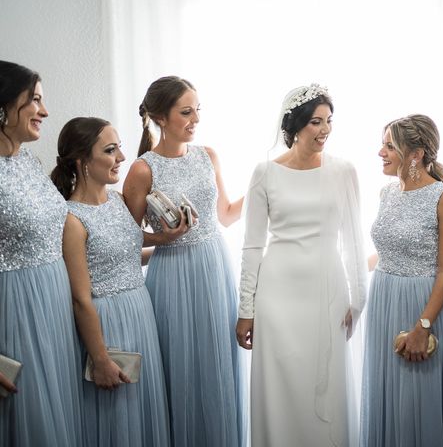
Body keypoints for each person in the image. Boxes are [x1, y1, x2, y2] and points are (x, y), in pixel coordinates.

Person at [236, 84, 367, 447]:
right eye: (315, 122)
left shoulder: (343, 171)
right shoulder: (264, 173)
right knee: (280, 391)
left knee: (324, 385)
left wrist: (358, 300)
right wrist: (245, 309)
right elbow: (252, 246)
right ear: (294, 126)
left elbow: (354, 240)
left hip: (326, 290)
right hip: (277, 297)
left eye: (329, 121)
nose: (324, 130)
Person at [123, 76, 246, 447]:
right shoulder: (143, 169)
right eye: (186, 112)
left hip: (214, 266)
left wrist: (262, 188)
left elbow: (223, 215)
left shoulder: (208, 155)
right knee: (179, 365)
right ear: (161, 117)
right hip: (172, 271)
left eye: (198, 110)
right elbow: (123, 238)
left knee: (216, 363)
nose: (195, 119)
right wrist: (163, 238)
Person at [52, 117, 170, 446]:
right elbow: (80, 298)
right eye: (110, 150)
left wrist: (165, 241)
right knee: (116, 420)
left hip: (140, 313)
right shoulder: (72, 219)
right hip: (108, 323)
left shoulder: (118, 201)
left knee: (142, 414)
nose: (121, 157)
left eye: (119, 148)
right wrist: (101, 358)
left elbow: (126, 260)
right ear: (82, 160)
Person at [360, 114, 443, 446]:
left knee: (416, 401)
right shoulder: (387, 192)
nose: (381, 153)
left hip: (421, 304)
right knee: (387, 394)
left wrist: (423, 325)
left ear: (415, 154)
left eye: (390, 146)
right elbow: (388, 251)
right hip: (383, 300)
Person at [0, 61, 82, 445]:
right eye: (34, 100)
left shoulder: (29, 164)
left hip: (53, 308)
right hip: (14, 311)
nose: (45, 111)